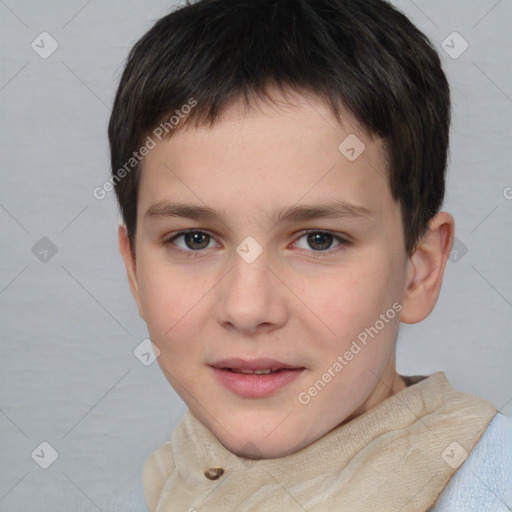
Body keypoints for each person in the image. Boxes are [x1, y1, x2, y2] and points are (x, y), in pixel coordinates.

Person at [107, 0, 512, 510]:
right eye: (195, 239)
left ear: (418, 270)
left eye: (319, 240)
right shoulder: (152, 490)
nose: (248, 309)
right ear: (135, 271)